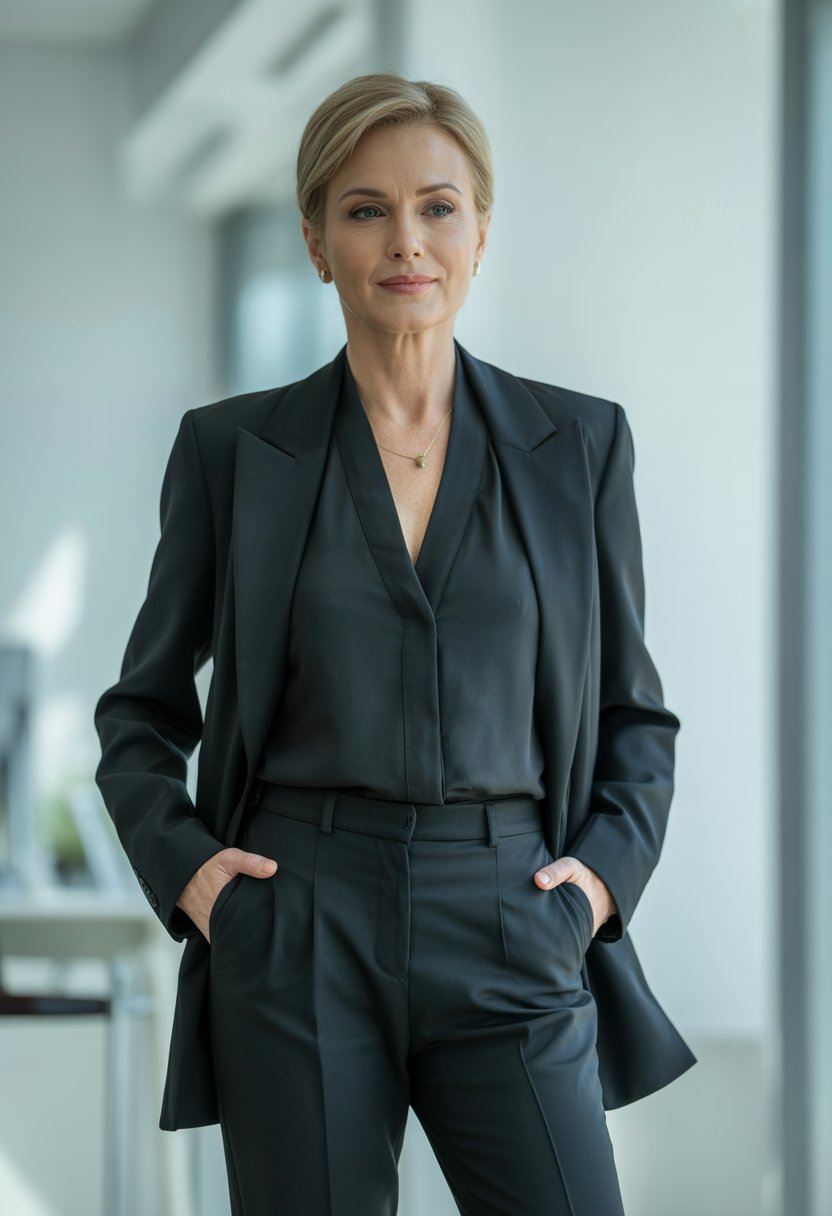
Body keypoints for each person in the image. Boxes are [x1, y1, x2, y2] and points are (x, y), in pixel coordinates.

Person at [94, 72, 696, 1216]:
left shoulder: (577, 447)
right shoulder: (233, 454)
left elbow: (634, 715)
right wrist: (198, 881)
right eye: (365, 209)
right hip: (295, 916)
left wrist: (596, 889)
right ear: (317, 240)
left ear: (479, 231)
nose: (405, 240)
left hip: (515, 909)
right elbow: (142, 713)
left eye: (437, 206)